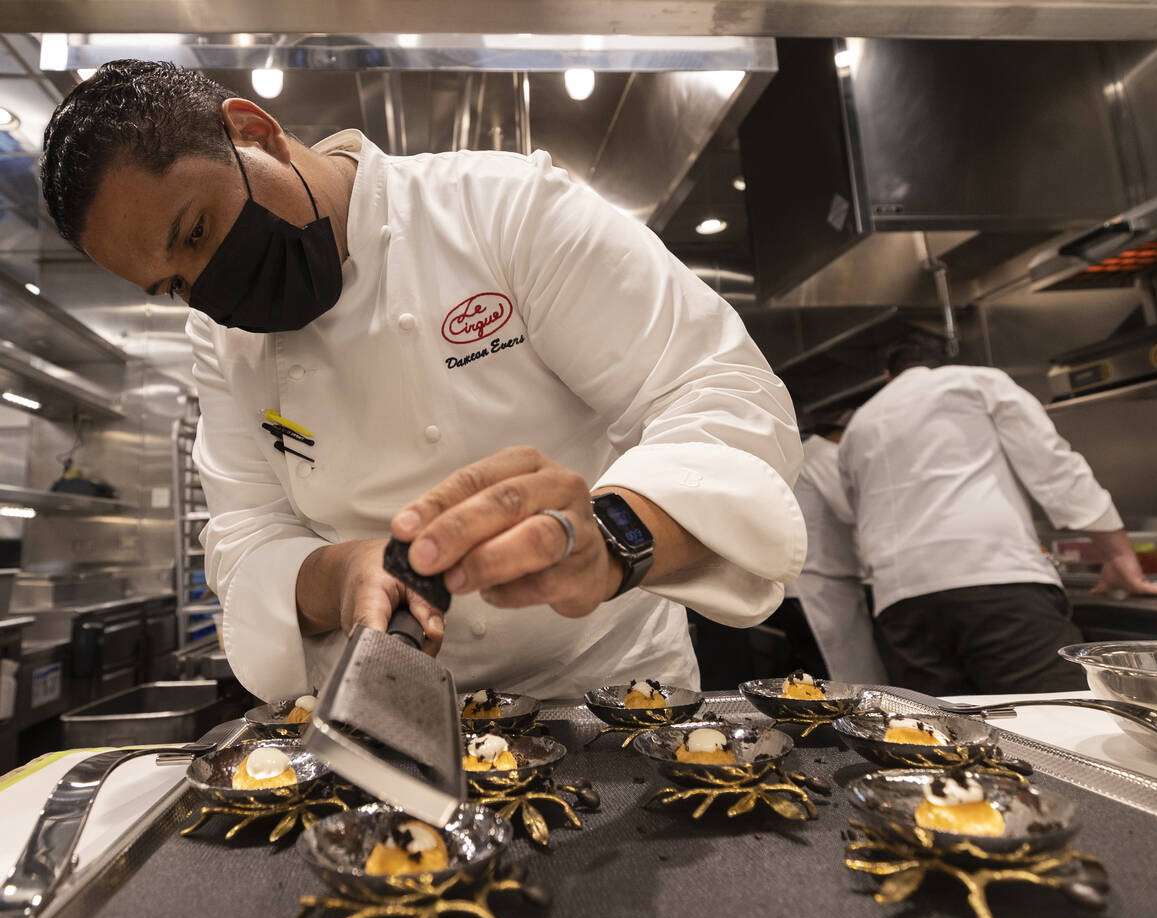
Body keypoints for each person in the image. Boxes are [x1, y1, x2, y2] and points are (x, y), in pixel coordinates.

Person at [40, 61, 807, 701]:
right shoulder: (221, 341)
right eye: (174, 284)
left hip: (609, 699)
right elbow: (245, 537)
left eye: (199, 231)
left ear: (255, 131)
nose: (209, 290)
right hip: (403, 715)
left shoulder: (503, 210)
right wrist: (342, 573)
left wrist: (610, 536)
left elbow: (721, 393)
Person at [838, 334, 1157, 695]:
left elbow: (856, 515)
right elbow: (1055, 470)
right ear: (943, 364)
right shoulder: (975, 382)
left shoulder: (857, 427)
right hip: (996, 583)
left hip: (901, 604)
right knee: (1053, 718)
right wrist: (1119, 556)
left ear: (888, 376)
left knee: (942, 731)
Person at [785, 414, 887, 684]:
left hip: (817, 583)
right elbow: (855, 508)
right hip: (817, 587)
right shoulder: (823, 455)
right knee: (841, 680)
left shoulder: (810, 454)